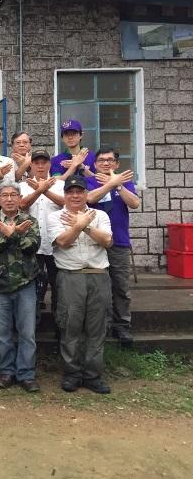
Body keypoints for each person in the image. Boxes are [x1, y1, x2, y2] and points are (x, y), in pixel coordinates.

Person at [48, 175, 113, 394]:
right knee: (70, 327)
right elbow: (63, 242)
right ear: (64, 195)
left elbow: (107, 241)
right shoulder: (55, 217)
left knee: (97, 328)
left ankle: (93, 375)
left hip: (98, 275)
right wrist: (78, 226)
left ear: (86, 194)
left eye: (79, 191)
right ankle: (72, 374)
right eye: (70, 192)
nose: (75, 195)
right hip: (70, 277)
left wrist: (83, 227)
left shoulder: (100, 215)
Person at [0, 182, 41, 393]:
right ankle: (6, 372)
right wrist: (14, 235)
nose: (8, 199)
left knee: (27, 332)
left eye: (13, 195)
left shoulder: (29, 221)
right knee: (2, 333)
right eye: (4, 195)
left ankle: (26, 374)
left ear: (19, 198)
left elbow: (31, 246)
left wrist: (10, 234)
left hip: (25, 283)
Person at [87, 148, 140, 346]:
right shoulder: (89, 182)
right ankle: (103, 324)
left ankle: (122, 326)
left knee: (120, 287)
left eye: (110, 160)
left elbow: (134, 203)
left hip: (119, 242)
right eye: (101, 160)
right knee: (98, 288)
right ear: (95, 164)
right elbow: (90, 199)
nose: (106, 163)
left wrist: (118, 186)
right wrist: (111, 183)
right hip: (95, 243)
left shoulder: (124, 182)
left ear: (117, 164)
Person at [20, 149, 68, 324]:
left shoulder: (60, 184)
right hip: (32, 243)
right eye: (37, 163)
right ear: (31, 164)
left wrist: (44, 190)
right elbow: (22, 204)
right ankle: (33, 324)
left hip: (55, 243)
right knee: (33, 285)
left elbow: (64, 202)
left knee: (58, 285)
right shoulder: (23, 185)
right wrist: (39, 190)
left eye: (44, 162)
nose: (40, 166)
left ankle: (59, 324)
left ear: (49, 164)